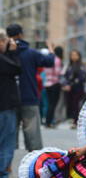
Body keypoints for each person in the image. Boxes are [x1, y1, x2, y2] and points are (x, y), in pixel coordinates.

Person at [6, 23, 55, 151]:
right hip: (29, 97)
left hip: (9, 99)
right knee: (33, 136)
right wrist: (51, 49)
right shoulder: (31, 53)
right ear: (21, 34)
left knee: (9, 136)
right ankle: (33, 163)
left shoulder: (5, 53)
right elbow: (50, 61)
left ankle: (8, 162)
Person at [0, 30, 21, 178]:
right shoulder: (4, 59)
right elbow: (16, 68)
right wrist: (13, 53)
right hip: (5, 106)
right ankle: (2, 175)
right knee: (6, 141)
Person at [63, 50, 86, 129]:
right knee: (71, 104)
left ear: (79, 56)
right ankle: (73, 119)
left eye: (75, 55)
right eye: (72, 55)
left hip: (78, 89)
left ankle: (76, 121)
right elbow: (66, 77)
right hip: (70, 90)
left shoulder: (81, 66)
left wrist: (71, 85)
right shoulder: (69, 66)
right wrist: (66, 84)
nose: (73, 56)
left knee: (76, 104)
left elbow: (81, 78)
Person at [42, 46, 64, 127]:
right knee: (53, 104)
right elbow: (58, 73)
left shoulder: (48, 59)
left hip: (47, 83)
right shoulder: (57, 60)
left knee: (49, 103)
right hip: (55, 84)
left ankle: (48, 121)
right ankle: (49, 122)